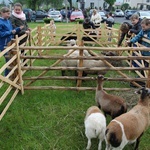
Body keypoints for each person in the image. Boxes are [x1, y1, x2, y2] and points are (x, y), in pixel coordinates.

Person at [0, 7, 23, 76]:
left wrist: (18, 29)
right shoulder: (0, 22)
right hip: (3, 43)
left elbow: (12, 30)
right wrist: (11, 32)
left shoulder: (8, 20)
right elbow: (1, 34)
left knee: (11, 58)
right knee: (9, 59)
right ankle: (6, 75)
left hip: (10, 43)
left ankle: (10, 73)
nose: (9, 15)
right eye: (7, 13)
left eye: (9, 13)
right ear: (2, 13)